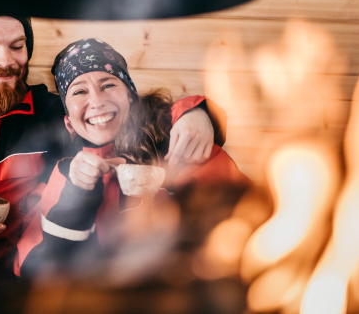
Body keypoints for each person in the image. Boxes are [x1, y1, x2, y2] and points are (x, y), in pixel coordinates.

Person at [0, 8, 220, 312]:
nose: (5, 61)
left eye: (17, 46)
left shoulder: (56, 119)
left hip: (9, 301)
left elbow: (128, 120)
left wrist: (195, 113)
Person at [15, 38, 248, 278]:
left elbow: (244, 220)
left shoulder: (178, 143)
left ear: (130, 96)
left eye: (108, 85)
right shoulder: (62, 177)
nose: (97, 101)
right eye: (79, 91)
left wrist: (197, 111)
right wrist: (78, 195)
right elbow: (33, 268)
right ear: (69, 124)